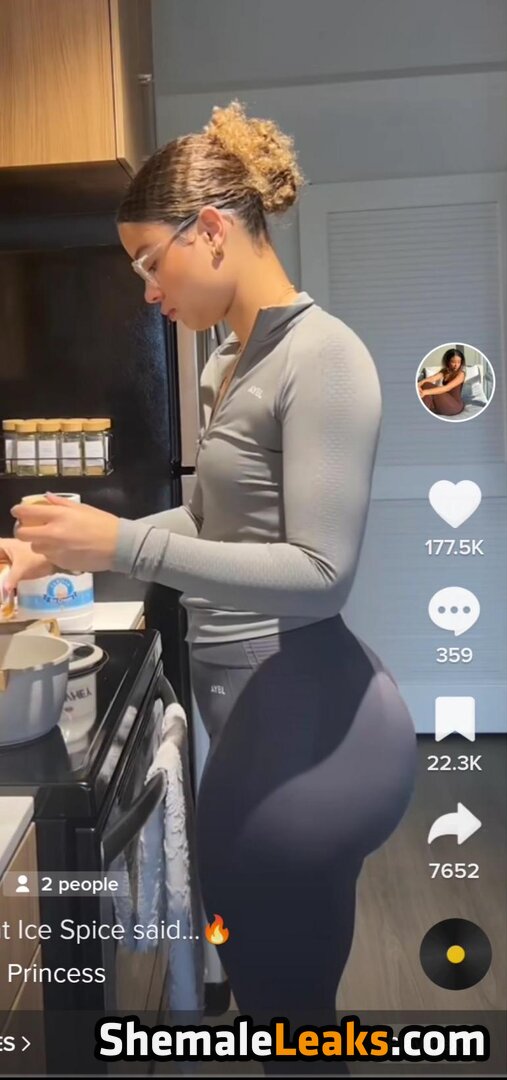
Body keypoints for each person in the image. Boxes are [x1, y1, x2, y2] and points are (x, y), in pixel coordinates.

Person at [1, 101, 417, 1074]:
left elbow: (319, 575)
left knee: (289, 1011)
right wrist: (67, 552)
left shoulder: (325, 357)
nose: (149, 290)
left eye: (151, 262)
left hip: (312, 722)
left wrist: (120, 543)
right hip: (260, 712)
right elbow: (207, 524)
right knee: (282, 1003)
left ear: (214, 231)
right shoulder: (230, 362)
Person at [418, 347, 466, 416]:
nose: (456, 365)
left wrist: (424, 392)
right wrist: (418, 385)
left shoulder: (461, 374)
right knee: (426, 391)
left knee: (426, 387)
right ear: (447, 361)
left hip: (454, 405)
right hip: (445, 402)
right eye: (453, 362)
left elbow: (447, 388)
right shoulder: (445, 371)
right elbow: (432, 378)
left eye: (459, 362)